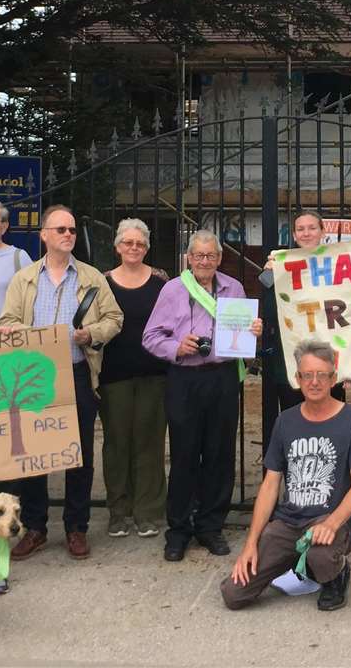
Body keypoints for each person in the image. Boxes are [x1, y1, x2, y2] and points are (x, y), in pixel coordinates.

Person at [0, 204, 123, 562]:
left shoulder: (91, 278)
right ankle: (35, 526)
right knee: (34, 454)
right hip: (34, 376)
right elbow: (6, 320)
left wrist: (90, 334)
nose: (68, 235)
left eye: (71, 230)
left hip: (77, 371)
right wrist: (40, 336)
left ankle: (76, 527)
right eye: (60, 230)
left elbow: (116, 318)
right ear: (44, 236)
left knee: (78, 455)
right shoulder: (24, 279)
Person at [221, 339, 351, 612]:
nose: (314, 382)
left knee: (321, 555)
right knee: (234, 594)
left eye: (322, 375)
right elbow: (270, 485)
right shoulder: (286, 421)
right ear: (297, 378)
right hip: (289, 522)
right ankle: (293, 562)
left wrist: (332, 523)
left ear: (333, 378)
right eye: (307, 375)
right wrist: (250, 544)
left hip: (330, 519)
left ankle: (335, 576)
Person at [143, 230, 263, 562]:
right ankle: (178, 530)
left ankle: (211, 526)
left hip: (222, 378)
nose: (204, 261)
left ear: (220, 259)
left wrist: (252, 331)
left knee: (219, 453)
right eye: (198, 256)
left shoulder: (234, 288)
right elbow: (150, 336)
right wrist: (175, 347)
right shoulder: (173, 289)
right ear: (188, 258)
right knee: (183, 454)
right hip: (185, 377)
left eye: (210, 256)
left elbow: (243, 336)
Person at [99, 218, 170, 539]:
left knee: (150, 443)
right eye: (128, 243)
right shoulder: (102, 283)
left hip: (155, 374)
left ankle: (149, 511)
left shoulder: (161, 283)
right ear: (117, 247)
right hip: (113, 375)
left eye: (139, 244)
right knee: (116, 444)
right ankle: (118, 511)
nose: (133, 248)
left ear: (146, 248)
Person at [257, 209, 345, 443]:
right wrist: (270, 276)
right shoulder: (282, 265)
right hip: (292, 361)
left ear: (323, 232)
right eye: (301, 229)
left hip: (330, 359)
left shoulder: (338, 264)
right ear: (294, 235)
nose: (306, 233)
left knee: (332, 428)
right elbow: (269, 311)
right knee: (296, 427)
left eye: (312, 228)